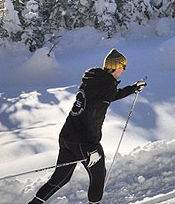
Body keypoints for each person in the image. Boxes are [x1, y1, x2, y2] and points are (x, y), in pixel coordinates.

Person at [29, 49, 146, 204]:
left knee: (60, 179)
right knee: (98, 178)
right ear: (117, 67)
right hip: (84, 141)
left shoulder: (94, 79)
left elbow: (107, 98)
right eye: (124, 67)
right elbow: (93, 115)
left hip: (67, 135)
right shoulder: (106, 85)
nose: (125, 70)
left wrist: (132, 89)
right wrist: (91, 147)